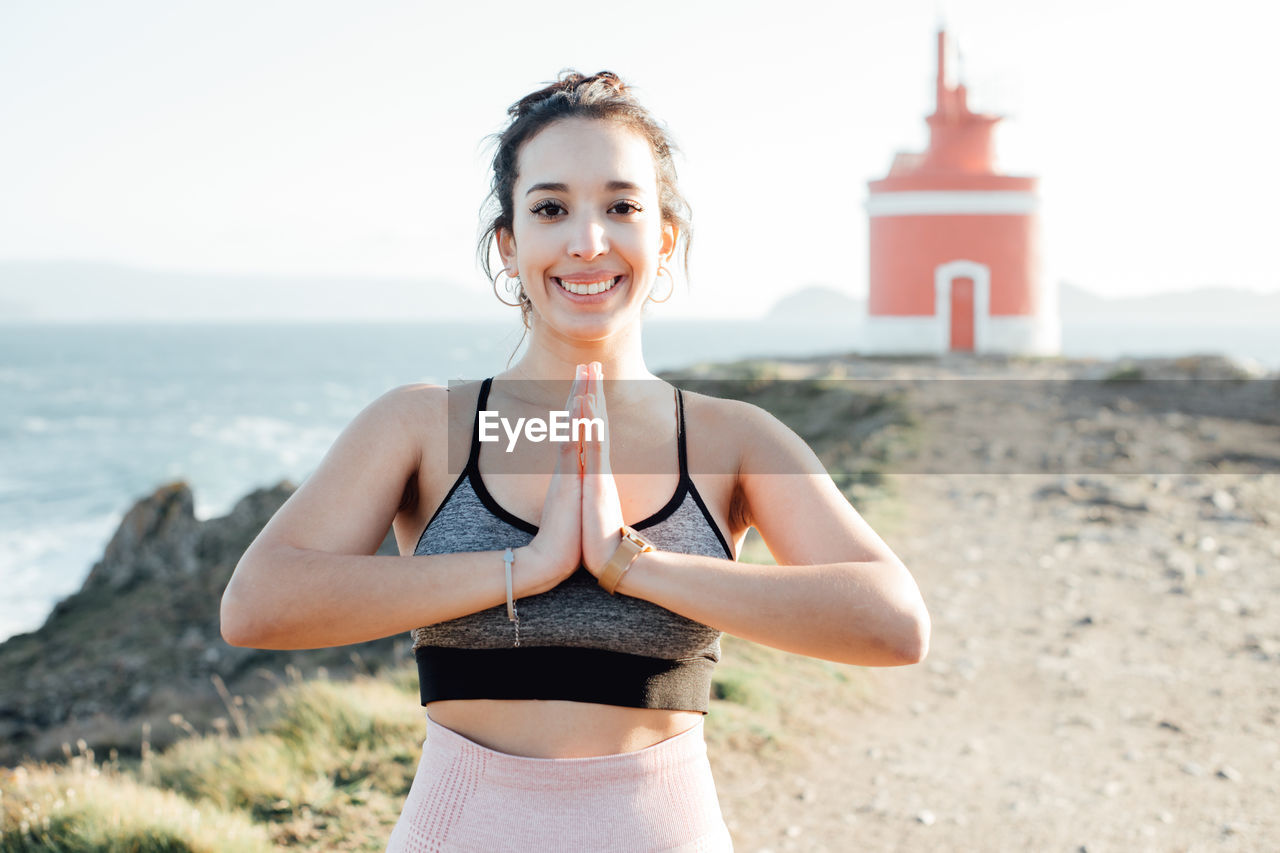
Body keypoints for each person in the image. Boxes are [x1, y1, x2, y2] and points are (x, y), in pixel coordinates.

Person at [220, 70, 930, 852]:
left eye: (621, 206)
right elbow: (257, 605)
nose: (587, 241)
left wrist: (632, 565)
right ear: (510, 242)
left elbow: (893, 623)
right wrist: (527, 566)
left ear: (662, 237)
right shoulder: (422, 424)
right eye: (551, 208)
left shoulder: (733, 439)